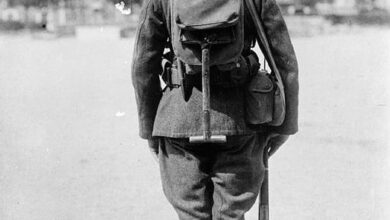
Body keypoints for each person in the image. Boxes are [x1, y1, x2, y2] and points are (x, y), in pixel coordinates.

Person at [131, 0, 298, 219]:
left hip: (178, 121)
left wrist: (149, 131)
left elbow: (143, 66)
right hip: (241, 122)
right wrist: (285, 126)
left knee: (191, 215)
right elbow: (285, 61)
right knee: (230, 214)